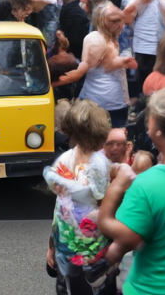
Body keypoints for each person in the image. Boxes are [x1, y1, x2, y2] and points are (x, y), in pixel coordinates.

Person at [96, 87, 165, 295]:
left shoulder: (147, 184)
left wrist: (116, 187)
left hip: (151, 288)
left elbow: (125, 236)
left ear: (157, 130)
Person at [44, 99, 113, 295]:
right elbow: (104, 204)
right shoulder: (99, 164)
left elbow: (59, 210)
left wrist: (51, 246)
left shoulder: (63, 160)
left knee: (67, 287)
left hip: (65, 242)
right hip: (93, 245)